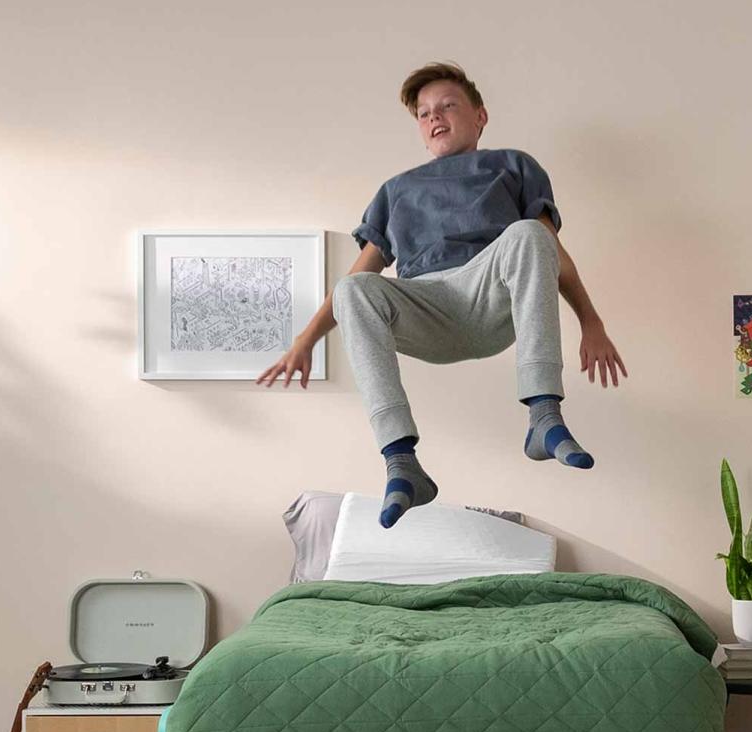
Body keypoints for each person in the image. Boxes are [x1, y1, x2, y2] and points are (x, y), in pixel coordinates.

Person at [258, 62, 627, 528]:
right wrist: (304, 341)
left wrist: (590, 321)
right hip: (426, 308)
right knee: (352, 288)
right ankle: (401, 463)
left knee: (532, 233)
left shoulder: (513, 165)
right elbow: (357, 278)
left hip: (490, 292)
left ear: (480, 116)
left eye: (448, 106)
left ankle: (544, 417)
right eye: (424, 113)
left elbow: (551, 249)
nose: (435, 117)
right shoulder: (396, 191)